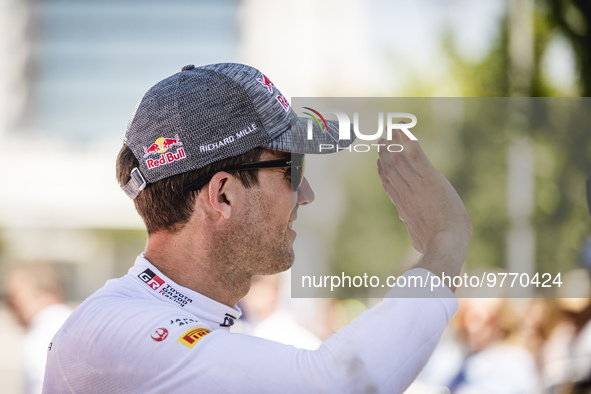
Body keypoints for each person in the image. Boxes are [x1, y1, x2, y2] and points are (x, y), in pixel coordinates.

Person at [42, 63, 472, 393]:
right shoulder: (115, 331)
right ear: (223, 195)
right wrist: (446, 239)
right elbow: (336, 383)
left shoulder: (179, 319)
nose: (305, 193)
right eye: (292, 168)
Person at [6, 263, 72, 394]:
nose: (10, 305)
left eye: (14, 297)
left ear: (45, 293)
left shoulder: (42, 335)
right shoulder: (72, 320)